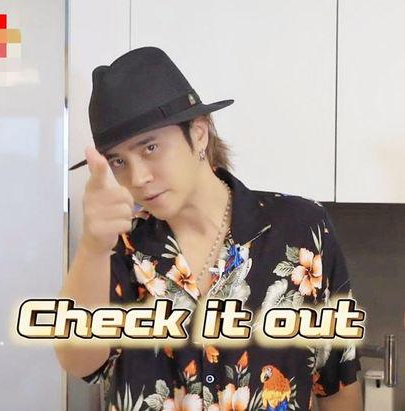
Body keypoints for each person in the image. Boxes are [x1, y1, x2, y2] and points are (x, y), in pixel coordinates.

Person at [55, 47, 363, 411]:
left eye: (150, 147)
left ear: (199, 133)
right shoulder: (120, 247)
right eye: (119, 161)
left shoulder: (301, 229)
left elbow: (336, 382)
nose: (137, 178)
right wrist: (92, 248)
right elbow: (79, 361)